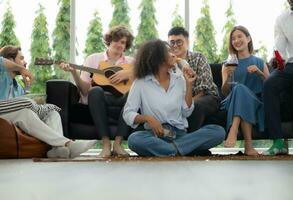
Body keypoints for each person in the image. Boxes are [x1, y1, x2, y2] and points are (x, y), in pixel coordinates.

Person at [123, 39, 225, 157]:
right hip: (155, 135)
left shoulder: (179, 79)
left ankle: (172, 149)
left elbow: (187, 112)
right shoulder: (141, 83)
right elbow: (128, 113)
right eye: (168, 52)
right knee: (134, 139)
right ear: (156, 58)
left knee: (218, 131)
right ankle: (185, 148)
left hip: (180, 134)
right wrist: (148, 119)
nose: (173, 54)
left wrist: (189, 84)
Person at [0, 45, 96, 158]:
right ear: (10, 60)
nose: (25, 62)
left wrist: (42, 105)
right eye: (21, 58)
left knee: (51, 112)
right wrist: (21, 69)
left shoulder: (18, 88)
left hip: (9, 117)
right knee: (28, 104)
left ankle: (58, 149)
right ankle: (68, 143)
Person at [60, 25, 134, 157]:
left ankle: (117, 144)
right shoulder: (93, 59)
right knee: (94, 91)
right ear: (109, 40)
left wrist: (127, 73)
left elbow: (143, 79)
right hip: (100, 103)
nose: (119, 44)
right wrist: (75, 73)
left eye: (123, 42)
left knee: (133, 93)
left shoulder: (131, 62)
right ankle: (105, 144)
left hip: (122, 104)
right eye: (116, 40)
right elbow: (84, 91)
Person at [220, 26, 270, 156]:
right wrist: (229, 76)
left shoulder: (259, 62)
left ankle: (233, 128)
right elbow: (225, 92)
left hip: (255, 103)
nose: (236, 40)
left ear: (248, 39)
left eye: (239, 36)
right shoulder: (227, 64)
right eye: (233, 39)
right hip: (232, 103)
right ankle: (249, 147)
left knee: (240, 89)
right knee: (239, 88)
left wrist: (259, 73)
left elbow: (270, 87)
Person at [263, 0, 293, 155]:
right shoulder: (282, 19)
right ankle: (278, 142)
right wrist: (277, 59)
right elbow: (280, 49)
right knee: (269, 84)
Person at [167, 27, 220, 133]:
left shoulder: (198, 57)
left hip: (206, 97)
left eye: (179, 42)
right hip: (180, 102)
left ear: (187, 42)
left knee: (196, 107)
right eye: (172, 42)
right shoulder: (167, 63)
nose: (175, 45)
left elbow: (203, 90)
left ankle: (186, 143)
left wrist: (185, 106)